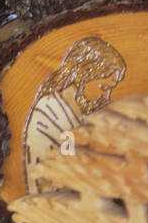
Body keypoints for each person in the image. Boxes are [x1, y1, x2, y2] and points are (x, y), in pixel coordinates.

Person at [23, 36, 126, 189]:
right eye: (104, 88)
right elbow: (65, 165)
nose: (106, 97)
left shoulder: (78, 114)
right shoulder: (50, 114)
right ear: (84, 77)